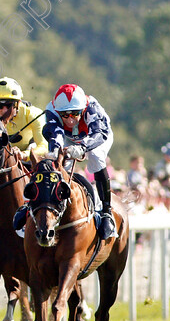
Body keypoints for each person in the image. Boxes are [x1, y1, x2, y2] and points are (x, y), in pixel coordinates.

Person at [14, 83, 116, 239]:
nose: (70, 119)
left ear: (82, 109)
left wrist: (82, 148)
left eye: (75, 114)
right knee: (54, 163)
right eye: (65, 115)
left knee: (95, 157)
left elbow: (98, 134)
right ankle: (31, 205)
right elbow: (56, 135)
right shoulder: (51, 109)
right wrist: (56, 150)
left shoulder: (92, 108)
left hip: (96, 137)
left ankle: (107, 212)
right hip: (69, 137)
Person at [0, 77, 48, 209]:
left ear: (18, 103)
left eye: (8, 105)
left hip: (28, 156)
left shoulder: (33, 114)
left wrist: (24, 154)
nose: (3, 110)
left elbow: (44, 146)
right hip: (3, 159)